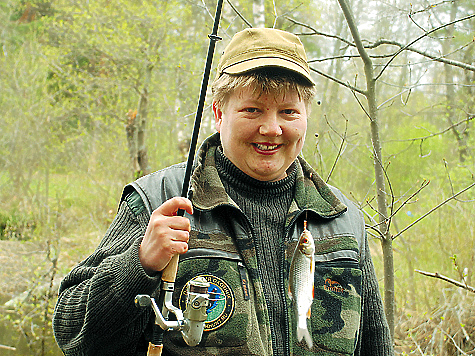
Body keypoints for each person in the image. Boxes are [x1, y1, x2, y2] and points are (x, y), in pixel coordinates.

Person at [53, 28, 393, 356]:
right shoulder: (160, 200)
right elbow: (74, 336)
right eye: (253, 109)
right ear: (219, 112)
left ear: (306, 117)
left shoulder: (344, 220)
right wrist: (139, 265)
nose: (271, 128)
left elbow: (375, 346)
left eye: (288, 111)